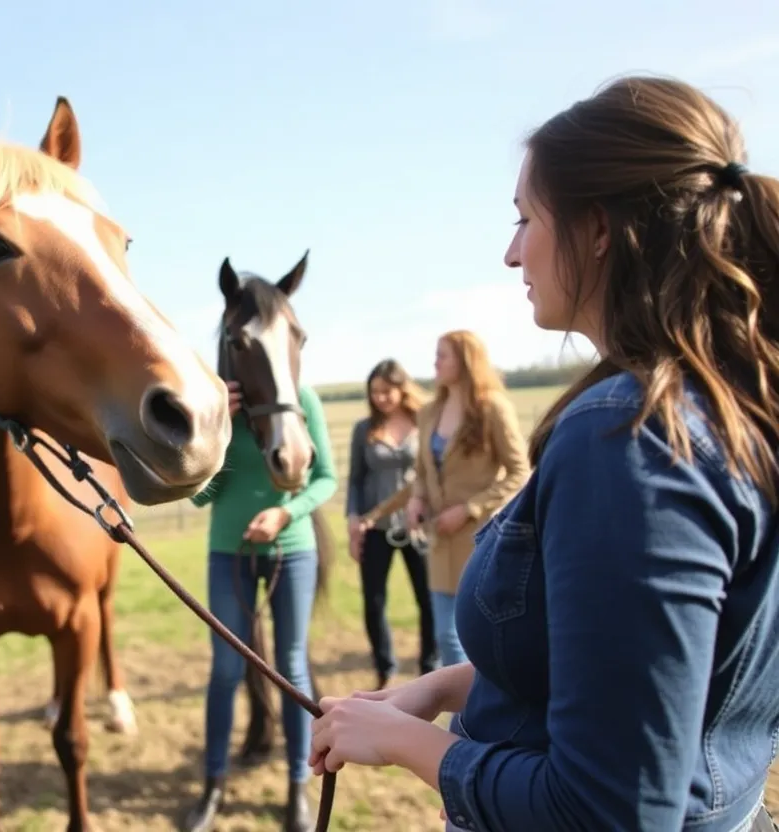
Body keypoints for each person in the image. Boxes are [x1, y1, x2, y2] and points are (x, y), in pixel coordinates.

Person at [308, 75, 779, 832]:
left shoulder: (632, 438)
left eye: (526, 218)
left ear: (597, 230)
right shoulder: (733, 401)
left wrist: (408, 743)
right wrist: (440, 689)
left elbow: (609, 812)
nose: (510, 251)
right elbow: (640, 672)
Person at [183, 378, 337, 832]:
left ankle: (297, 789)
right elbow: (197, 494)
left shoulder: (302, 398)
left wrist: (286, 513)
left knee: (292, 669)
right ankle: (213, 786)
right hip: (227, 554)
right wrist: (215, 432)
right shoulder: (216, 406)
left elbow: (326, 476)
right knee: (225, 672)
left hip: (292, 551)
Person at [361, 330, 529, 668]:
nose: (435, 362)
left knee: (476, 638)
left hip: (480, 539)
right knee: (447, 639)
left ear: (466, 361)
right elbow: (422, 471)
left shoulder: (493, 408)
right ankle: (461, 715)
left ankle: (474, 714)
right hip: (439, 541)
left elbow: (520, 471)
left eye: (443, 356)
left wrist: (469, 508)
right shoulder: (430, 411)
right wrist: (416, 500)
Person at [345, 359, 436, 690]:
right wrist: (353, 520)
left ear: (402, 388)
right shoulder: (363, 429)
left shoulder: (424, 423)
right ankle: (385, 669)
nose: (380, 398)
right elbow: (355, 480)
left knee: (427, 599)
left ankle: (430, 666)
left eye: (387, 391)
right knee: (374, 601)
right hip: (376, 529)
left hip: (419, 527)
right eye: (374, 392)